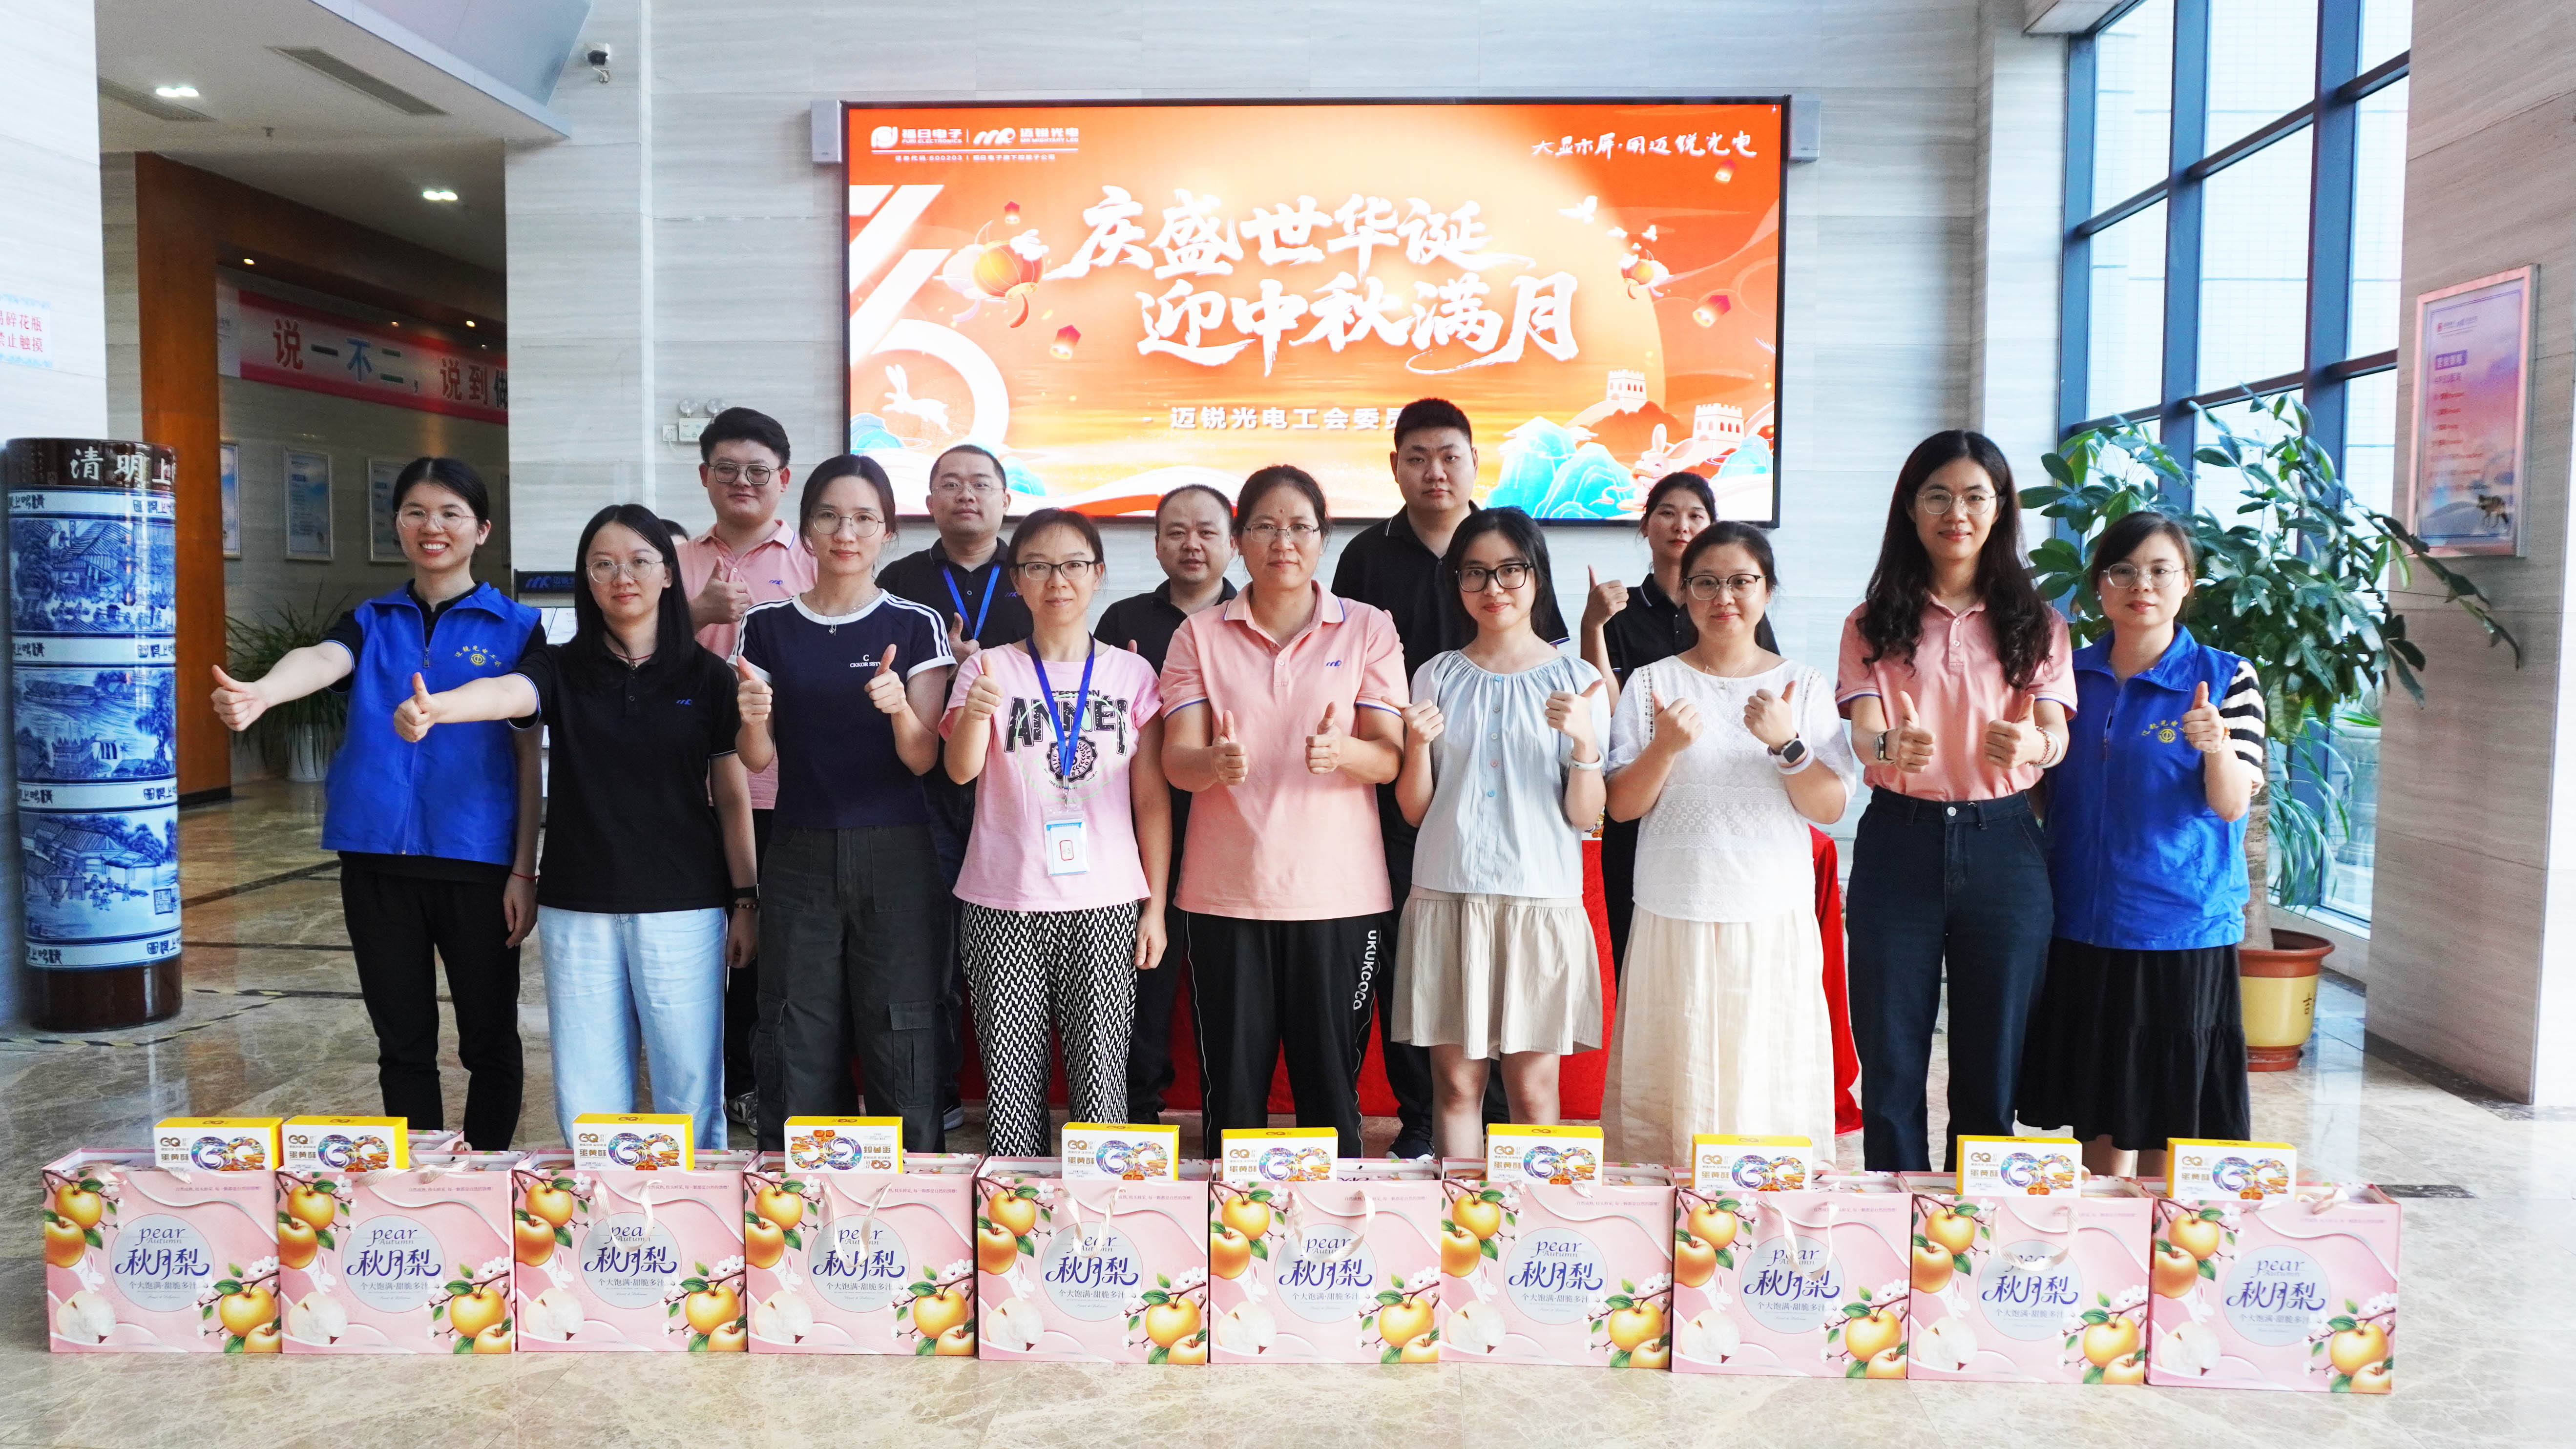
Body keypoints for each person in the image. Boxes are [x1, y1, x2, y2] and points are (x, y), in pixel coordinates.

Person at [392, 505, 758, 1149]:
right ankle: (598, 1204)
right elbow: (508, 693)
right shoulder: (560, 666)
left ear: (668, 574)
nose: (623, 577)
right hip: (577, 906)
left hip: (684, 905)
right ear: (586, 579)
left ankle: (694, 1201)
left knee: (690, 1083)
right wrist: (441, 708)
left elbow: (732, 798)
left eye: (639, 561)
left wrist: (746, 900)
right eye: (603, 564)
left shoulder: (707, 676)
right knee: (589, 1091)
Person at [207, 457, 541, 1150]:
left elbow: (525, 749)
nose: (431, 526)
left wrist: (522, 870)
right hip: (376, 862)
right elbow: (322, 659)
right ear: (397, 524)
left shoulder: (518, 627)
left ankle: (486, 1173)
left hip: (476, 863)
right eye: (415, 512)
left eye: (450, 513)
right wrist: (264, 692)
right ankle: (415, 1181)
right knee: (403, 1043)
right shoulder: (372, 619)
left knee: (488, 1039)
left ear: (481, 529)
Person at [1836, 430, 2075, 1173]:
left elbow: (2055, 732)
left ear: (2000, 508)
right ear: (1910, 508)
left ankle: (1973, 1223)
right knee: (1891, 1061)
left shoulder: (2037, 622)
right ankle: (1894, 1216)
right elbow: (1863, 732)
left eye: (1974, 496)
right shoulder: (1871, 621)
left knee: (1990, 1066)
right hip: (1898, 842)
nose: (1956, 513)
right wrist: (1888, 747)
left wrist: (2034, 746)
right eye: (1937, 496)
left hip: (2003, 845)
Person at [1331, 398, 1565, 1157]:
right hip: (1411, 784)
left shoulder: (1511, 548)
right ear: (1394, 466)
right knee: (1425, 982)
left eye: (1449, 455)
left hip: (1514, 821)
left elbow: (1552, 671)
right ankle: (1426, 1124)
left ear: (1472, 461)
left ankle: (1502, 1142)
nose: (1434, 471)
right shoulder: (1366, 556)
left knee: (1517, 1030)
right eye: (1417, 457)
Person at [1162, 466, 1407, 1158]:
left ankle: (1333, 1226)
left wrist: (1343, 752)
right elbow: (1175, 761)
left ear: (1323, 539)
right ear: (1239, 540)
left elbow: (1389, 758)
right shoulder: (1198, 636)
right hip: (1225, 896)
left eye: (1300, 526)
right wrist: (1212, 763)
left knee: (1329, 1091)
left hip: (1339, 897)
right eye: (1265, 527)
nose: (1283, 542)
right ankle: (1232, 1224)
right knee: (1232, 1095)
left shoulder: (1367, 628)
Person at [1602, 523, 1860, 1162]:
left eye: (1741, 581)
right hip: (1674, 912)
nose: (1723, 597)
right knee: (1673, 1085)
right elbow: (1622, 806)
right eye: (1705, 583)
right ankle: (1667, 1213)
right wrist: (1663, 747)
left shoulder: (1801, 685)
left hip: (1768, 915)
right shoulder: (1651, 684)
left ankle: (1765, 1214)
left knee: (1762, 1084)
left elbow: (1827, 807)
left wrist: (1786, 743)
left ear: (1766, 590)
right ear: (1683, 594)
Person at [2017, 512, 2263, 1180]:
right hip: (2082, 922)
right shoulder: (2065, 677)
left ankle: (2163, 1235)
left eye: (2160, 571)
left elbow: (2230, 804)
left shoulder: (2226, 677)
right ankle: (2106, 1234)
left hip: (2179, 929)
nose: (2141, 586)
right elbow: (2044, 793)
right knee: (2097, 1107)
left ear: (2187, 583)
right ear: (2098, 586)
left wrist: (2215, 745)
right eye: (2122, 571)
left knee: (2171, 1113)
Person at [735, 455, 956, 1151]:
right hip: (798, 848)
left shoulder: (915, 623)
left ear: (887, 531)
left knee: (901, 1023)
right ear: (805, 529)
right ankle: (801, 1196)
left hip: (898, 850)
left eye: (864, 518)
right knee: (796, 1024)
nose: (845, 532)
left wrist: (899, 709)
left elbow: (923, 758)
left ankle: (915, 1190)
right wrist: (750, 716)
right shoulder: (768, 625)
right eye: (829, 516)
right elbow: (757, 757)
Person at [942, 508, 1172, 1155]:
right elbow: (959, 772)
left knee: (1102, 1083)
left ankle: (1097, 1212)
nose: (1057, 580)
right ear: (1017, 580)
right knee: (1011, 1084)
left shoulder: (1132, 675)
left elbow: (1152, 800)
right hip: (1004, 900)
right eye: (1038, 566)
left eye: (1072, 565)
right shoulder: (987, 668)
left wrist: (1154, 907)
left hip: (1105, 902)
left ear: (1098, 573)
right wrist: (974, 714)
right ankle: (1020, 1214)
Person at [1390, 508, 1607, 1160]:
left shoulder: (1579, 682)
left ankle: (1535, 1217)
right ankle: (1463, 1217)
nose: (1493, 588)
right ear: (1456, 582)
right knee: (1456, 1086)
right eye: (1475, 573)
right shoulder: (1434, 675)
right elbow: (1415, 810)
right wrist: (1414, 746)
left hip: (1538, 900)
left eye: (1511, 570)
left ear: (1536, 576)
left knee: (1533, 1091)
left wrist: (1584, 745)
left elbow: (1586, 816)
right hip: (1447, 894)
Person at [877, 442, 1034, 1131]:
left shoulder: (1034, 571)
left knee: (1010, 959)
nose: (965, 495)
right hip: (926, 795)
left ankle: (1014, 1104)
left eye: (980, 483)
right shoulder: (901, 578)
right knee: (931, 952)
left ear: (1005, 498)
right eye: (949, 484)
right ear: (929, 502)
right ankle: (938, 1094)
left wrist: (981, 666)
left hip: (1017, 793)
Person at [671, 406, 814, 1135]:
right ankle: (699, 1088)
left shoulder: (813, 559)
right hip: (686, 787)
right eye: (726, 469)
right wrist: (694, 613)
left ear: (783, 480)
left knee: (768, 949)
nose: (742, 482)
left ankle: (758, 1084)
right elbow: (632, 648)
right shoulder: (673, 560)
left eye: (758, 471)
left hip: (781, 784)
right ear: (704, 476)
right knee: (697, 943)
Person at [1576, 471, 1777, 976]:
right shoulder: (1620, 610)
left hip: (1718, 799)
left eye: (1695, 515)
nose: (1681, 525)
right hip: (1639, 794)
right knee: (1642, 955)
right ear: (1644, 525)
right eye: (1666, 513)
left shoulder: (1733, 608)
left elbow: (1762, 696)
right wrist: (1593, 625)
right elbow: (1609, 709)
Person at [1094, 484, 1237, 1123]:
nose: (1191, 544)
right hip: (1140, 828)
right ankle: (1139, 1118)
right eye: (1176, 532)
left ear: (1233, 543)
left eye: (1206, 531)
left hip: (1227, 829)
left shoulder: (1252, 618)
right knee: (1145, 981)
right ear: (1155, 545)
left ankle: (1227, 1119)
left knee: (1223, 987)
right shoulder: (1121, 621)